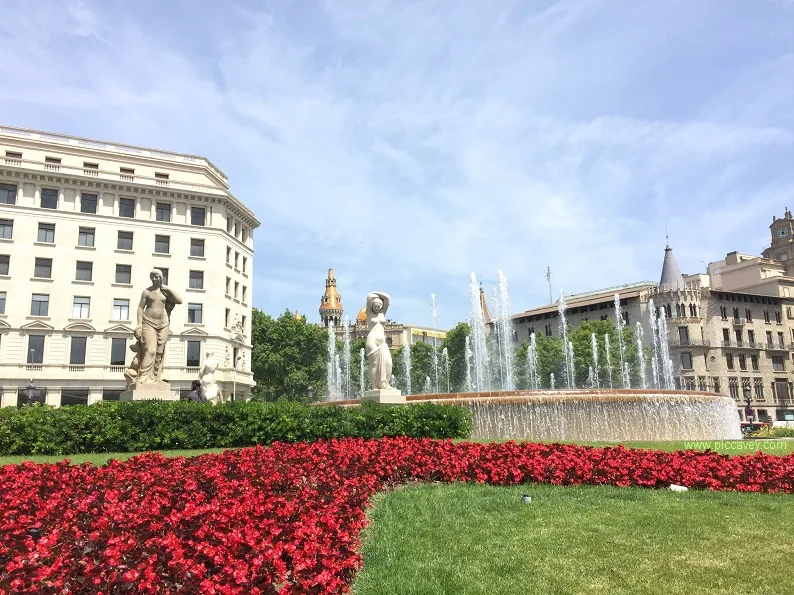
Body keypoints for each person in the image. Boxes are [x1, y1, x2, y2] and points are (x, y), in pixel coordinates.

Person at [134, 269, 182, 384]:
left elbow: (179, 300)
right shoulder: (147, 291)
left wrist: (168, 289)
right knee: (150, 350)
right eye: (152, 277)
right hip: (148, 323)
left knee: (160, 352)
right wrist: (139, 325)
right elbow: (140, 307)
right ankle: (144, 377)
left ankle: (156, 377)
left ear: (161, 277)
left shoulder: (165, 292)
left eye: (157, 277)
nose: (154, 279)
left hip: (164, 324)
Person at [365, 291, 393, 390]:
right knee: (375, 364)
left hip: (382, 343)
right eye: (375, 306)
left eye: (378, 306)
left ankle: (385, 384)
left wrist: (376, 293)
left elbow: (387, 299)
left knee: (388, 363)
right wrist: (373, 294)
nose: (377, 308)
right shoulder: (369, 313)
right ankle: (374, 387)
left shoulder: (382, 313)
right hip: (372, 340)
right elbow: (369, 297)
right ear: (372, 306)